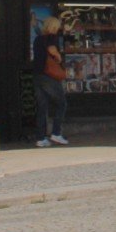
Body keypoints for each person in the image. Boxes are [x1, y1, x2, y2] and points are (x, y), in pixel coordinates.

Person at [33, 16, 69, 147]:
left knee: (42, 107)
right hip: (49, 76)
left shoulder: (37, 39)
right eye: (57, 26)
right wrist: (58, 57)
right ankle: (56, 133)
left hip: (38, 75)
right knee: (62, 103)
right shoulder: (51, 38)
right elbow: (52, 50)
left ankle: (40, 138)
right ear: (54, 26)